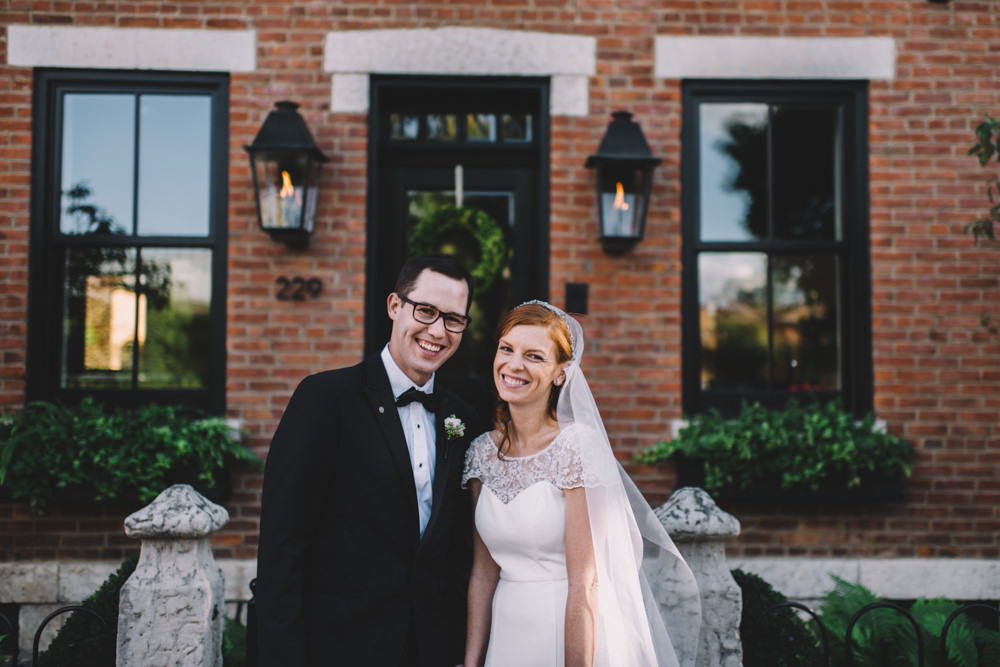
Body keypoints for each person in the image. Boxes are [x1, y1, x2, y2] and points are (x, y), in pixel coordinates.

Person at [255, 254, 485, 667]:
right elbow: (282, 548)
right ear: (395, 306)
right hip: (340, 646)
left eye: (453, 319)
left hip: (431, 649)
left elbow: (456, 553)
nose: (438, 330)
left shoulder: (464, 419)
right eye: (426, 311)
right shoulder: (325, 400)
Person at [462, 301, 701, 667]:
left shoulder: (576, 448)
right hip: (506, 638)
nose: (513, 364)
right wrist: (472, 661)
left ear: (561, 373)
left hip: (565, 630)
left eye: (534, 356)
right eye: (506, 349)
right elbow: (483, 574)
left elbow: (585, 582)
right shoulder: (481, 453)